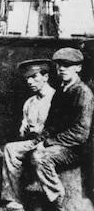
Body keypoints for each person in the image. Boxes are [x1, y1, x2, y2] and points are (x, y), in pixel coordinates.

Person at [28, 48, 93, 211]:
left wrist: (48, 143)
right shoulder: (62, 91)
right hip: (62, 145)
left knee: (41, 157)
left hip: (77, 150)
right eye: (59, 66)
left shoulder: (83, 93)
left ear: (78, 68)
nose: (62, 69)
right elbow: (52, 124)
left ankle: (57, 199)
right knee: (31, 150)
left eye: (68, 65)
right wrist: (40, 140)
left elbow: (80, 133)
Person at [1, 59, 55, 210]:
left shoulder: (56, 99)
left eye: (34, 77)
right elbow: (23, 130)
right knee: (10, 148)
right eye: (27, 78)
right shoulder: (29, 102)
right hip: (33, 141)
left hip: (51, 142)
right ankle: (13, 199)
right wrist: (25, 129)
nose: (30, 81)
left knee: (37, 154)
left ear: (46, 77)